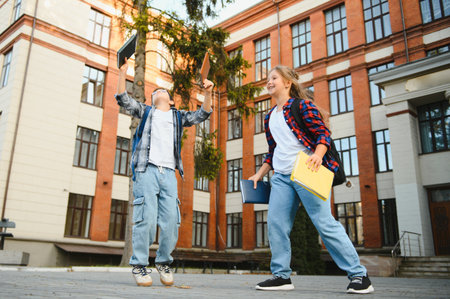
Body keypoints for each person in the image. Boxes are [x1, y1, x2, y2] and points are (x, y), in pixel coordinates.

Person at [249, 65, 374, 294]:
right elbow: (273, 149)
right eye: (268, 79)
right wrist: (260, 173)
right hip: (281, 178)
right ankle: (281, 276)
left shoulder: (302, 106)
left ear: (288, 82)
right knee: (276, 224)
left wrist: (317, 154)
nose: (269, 82)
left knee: (324, 222)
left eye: (274, 78)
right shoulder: (269, 117)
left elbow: (322, 134)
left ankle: (359, 275)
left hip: (307, 171)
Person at [115, 58, 213, 287]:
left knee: (170, 221)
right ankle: (139, 264)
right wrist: (122, 73)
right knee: (146, 219)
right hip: (146, 170)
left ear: (170, 100)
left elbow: (203, 114)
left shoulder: (178, 117)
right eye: (155, 91)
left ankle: (164, 261)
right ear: (152, 100)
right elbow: (123, 99)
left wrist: (208, 92)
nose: (158, 92)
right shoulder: (147, 112)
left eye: (163, 91)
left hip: (169, 174)